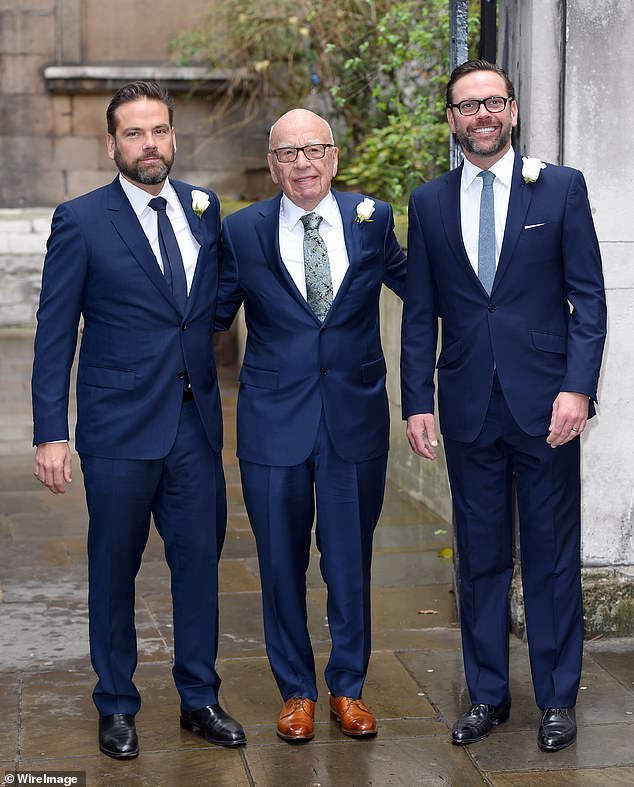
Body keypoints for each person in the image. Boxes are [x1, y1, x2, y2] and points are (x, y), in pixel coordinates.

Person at [31, 81, 246, 759]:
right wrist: (49, 431)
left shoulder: (204, 209)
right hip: (118, 425)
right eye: (134, 133)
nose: (150, 144)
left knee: (198, 565)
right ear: (112, 144)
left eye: (159, 130)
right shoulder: (81, 219)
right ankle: (117, 702)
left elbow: (208, 303)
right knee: (114, 566)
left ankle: (200, 697)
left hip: (194, 423)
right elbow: (54, 331)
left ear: (174, 137)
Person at [401, 60, 606, 752]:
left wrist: (578, 387)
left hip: (548, 407)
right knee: (480, 558)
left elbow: (589, 299)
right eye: (466, 105)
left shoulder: (561, 188)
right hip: (467, 408)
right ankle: (488, 693)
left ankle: (556, 698)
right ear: (452, 119)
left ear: (512, 110)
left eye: (492, 102)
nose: (480, 114)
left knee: (550, 557)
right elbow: (420, 312)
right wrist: (415, 402)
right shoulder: (427, 203)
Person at [216, 108, 406, 743]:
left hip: (353, 419)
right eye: (288, 153)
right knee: (278, 562)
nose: (302, 162)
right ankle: (295, 689)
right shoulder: (241, 231)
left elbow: (428, 293)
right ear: (272, 166)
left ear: (334, 156)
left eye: (314, 149)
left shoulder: (372, 220)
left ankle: (347, 687)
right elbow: (207, 315)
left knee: (349, 559)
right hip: (273, 422)